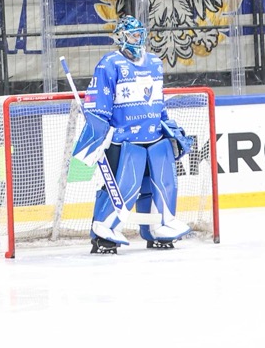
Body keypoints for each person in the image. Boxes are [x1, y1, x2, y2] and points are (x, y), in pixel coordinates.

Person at [73, 16, 195, 253]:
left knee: (160, 185)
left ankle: (158, 229)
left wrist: (167, 126)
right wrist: (97, 135)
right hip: (123, 140)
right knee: (121, 187)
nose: (137, 39)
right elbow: (99, 103)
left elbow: (158, 100)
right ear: (121, 37)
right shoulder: (109, 64)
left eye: (140, 34)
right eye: (132, 35)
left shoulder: (155, 62)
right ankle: (103, 234)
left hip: (155, 137)